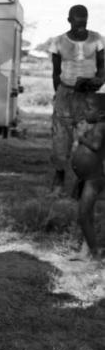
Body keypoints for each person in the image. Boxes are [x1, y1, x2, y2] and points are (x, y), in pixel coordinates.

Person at [49, 5, 104, 196]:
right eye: (78, 23)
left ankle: (82, 184)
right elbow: (55, 73)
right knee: (60, 140)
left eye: (85, 23)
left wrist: (98, 80)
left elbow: (103, 66)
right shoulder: (58, 42)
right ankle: (59, 180)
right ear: (69, 20)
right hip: (65, 94)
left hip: (88, 96)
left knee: (87, 140)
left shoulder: (97, 39)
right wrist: (60, 93)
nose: (82, 27)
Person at [71, 92, 105, 260]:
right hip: (87, 177)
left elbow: (96, 145)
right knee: (87, 214)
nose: (85, 111)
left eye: (89, 108)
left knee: (84, 215)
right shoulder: (96, 125)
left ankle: (95, 253)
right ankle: (86, 251)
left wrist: (82, 138)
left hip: (93, 179)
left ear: (101, 114)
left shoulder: (101, 126)